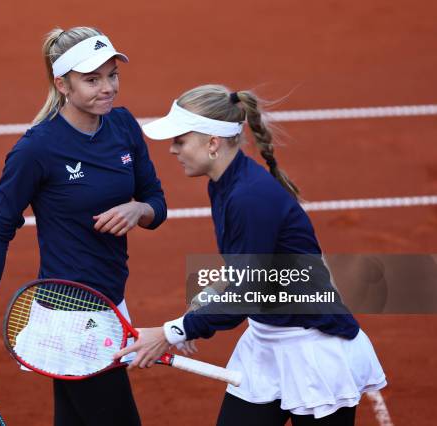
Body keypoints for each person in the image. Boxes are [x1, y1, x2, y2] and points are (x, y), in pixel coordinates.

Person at [115, 85, 386, 425]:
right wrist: (210, 296)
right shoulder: (225, 184)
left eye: (180, 140)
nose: (171, 150)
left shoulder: (247, 196)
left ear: (213, 143)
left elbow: (250, 293)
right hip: (266, 339)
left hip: (312, 348)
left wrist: (174, 332)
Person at [0, 26, 167, 426]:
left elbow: (157, 203)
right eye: (92, 79)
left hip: (110, 304)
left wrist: (137, 210)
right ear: (63, 84)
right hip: (71, 318)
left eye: (112, 75)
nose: (107, 87)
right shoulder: (36, 149)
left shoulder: (124, 126)